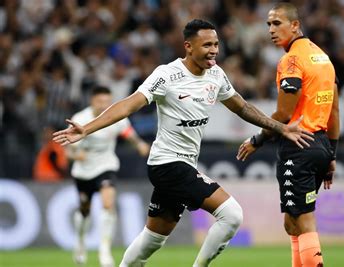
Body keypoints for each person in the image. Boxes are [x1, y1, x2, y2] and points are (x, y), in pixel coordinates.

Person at [53, 19, 313, 267]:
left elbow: (242, 107)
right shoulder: (166, 75)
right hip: (167, 163)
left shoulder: (216, 76)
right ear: (188, 46)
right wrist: (86, 128)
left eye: (216, 44)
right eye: (207, 45)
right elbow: (128, 105)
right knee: (232, 215)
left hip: (183, 163)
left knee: (151, 241)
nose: (214, 51)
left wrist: (280, 128)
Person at [236, 3, 340, 267]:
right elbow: (334, 110)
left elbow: (283, 114)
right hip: (320, 145)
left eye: (277, 23)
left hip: (299, 147)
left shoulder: (291, 60)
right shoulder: (323, 58)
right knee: (291, 223)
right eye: (269, 24)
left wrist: (256, 140)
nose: (271, 30)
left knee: (303, 220)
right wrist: (331, 154)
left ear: (295, 25)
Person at [67, 86, 150, 267]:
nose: (104, 105)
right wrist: (75, 156)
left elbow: (129, 134)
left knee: (108, 204)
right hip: (84, 170)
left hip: (106, 165)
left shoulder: (115, 117)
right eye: (100, 101)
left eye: (107, 101)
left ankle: (104, 250)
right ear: (92, 101)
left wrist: (139, 145)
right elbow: (68, 150)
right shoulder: (80, 119)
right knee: (84, 210)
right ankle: (80, 242)